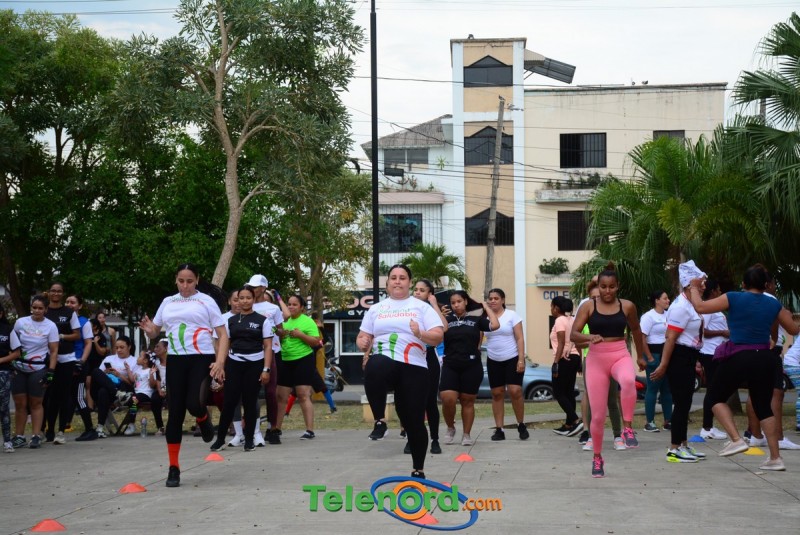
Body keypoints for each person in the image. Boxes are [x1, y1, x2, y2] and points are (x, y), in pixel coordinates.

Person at [687, 264, 799, 471]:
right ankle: (776, 458)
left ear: (744, 284)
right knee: (764, 407)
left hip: (740, 355)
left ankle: (737, 439)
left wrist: (694, 288)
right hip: (765, 357)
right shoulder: (773, 304)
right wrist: (775, 329)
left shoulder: (734, 297)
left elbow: (700, 307)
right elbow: (793, 328)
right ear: (766, 285)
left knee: (714, 398)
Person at [138, 263, 228, 488]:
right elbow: (156, 330)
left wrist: (220, 362)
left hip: (201, 357)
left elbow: (222, 334)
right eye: (181, 281)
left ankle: (202, 418)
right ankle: (173, 467)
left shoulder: (206, 301)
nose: (185, 285)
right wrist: (150, 330)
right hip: (176, 359)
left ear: (197, 280)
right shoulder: (168, 302)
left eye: (189, 281)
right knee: (175, 414)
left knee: (194, 404)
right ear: (175, 280)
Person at [358, 264, 444, 479]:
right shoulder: (376, 309)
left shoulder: (421, 307)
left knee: (413, 421)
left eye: (402, 277)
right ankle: (380, 421)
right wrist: (363, 342)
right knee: (374, 365)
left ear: (409, 282)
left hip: (413, 367)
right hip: (385, 360)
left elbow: (438, 336)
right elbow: (362, 336)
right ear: (387, 283)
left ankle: (418, 469)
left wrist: (420, 333)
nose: (397, 281)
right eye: (394, 277)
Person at [571, 262, 645, 478]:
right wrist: (589, 337)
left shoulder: (627, 306)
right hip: (596, 358)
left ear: (617, 286)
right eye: (603, 287)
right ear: (599, 286)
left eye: (612, 287)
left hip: (619, 353)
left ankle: (627, 428)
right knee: (597, 415)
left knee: (629, 381)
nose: (607, 291)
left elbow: (636, 330)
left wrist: (641, 356)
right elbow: (574, 334)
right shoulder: (588, 306)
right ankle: (597, 458)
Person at [650, 261, 709, 464]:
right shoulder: (681, 307)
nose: (704, 285)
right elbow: (670, 338)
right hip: (678, 356)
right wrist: (663, 365)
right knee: (681, 403)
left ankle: (683, 444)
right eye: (700, 282)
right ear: (689, 284)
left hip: (689, 355)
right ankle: (674, 449)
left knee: (686, 402)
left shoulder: (691, 304)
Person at [210, 285, 273, 452]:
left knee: (250, 402)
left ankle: (249, 440)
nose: (244, 301)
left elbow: (268, 346)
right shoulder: (229, 321)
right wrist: (221, 365)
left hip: (255, 364)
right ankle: (220, 440)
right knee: (229, 402)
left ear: (253, 299)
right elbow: (224, 345)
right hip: (234, 363)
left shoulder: (263, 320)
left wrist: (266, 369)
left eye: (248, 298)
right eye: (241, 298)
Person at [745, 274, 800, 450]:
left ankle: (756, 435)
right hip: (769, 349)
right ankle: (778, 437)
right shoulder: (770, 300)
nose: (776, 287)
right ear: (767, 284)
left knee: (754, 392)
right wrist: (787, 316)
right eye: (775, 284)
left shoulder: (745, 299)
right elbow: (792, 328)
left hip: (750, 348)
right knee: (776, 393)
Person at [440, 290, 499, 447]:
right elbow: (437, 331)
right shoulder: (446, 320)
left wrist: (486, 307)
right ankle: (450, 427)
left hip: (471, 366)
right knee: (448, 398)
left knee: (467, 401)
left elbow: (495, 325)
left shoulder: (476, 320)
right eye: (453, 303)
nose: (456, 305)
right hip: (450, 364)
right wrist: (440, 314)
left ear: (465, 302)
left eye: (459, 301)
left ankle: (466, 434)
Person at [403, 279, 448, 454]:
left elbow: (444, 328)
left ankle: (435, 439)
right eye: (416, 289)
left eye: (422, 290)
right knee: (411, 401)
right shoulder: (407, 307)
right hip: (410, 355)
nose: (417, 292)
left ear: (430, 294)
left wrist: (434, 304)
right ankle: (411, 438)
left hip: (428, 356)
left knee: (430, 401)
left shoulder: (430, 310)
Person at [12, 296, 59, 450]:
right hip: (19, 367)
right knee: (20, 404)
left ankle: (36, 435)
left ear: (46, 309)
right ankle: (19, 436)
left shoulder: (51, 326)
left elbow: (54, 351)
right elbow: (13, 344)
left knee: (35, 403)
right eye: (34, 307)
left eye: (40, 308)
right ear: (31, 308)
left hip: (38, 368)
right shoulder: (20, 322)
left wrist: (51, 371)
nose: (37, 311)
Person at [484, 288, 529, 442]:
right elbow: (478, 337)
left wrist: (521, 359)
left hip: (512, 358)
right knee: (497, 393)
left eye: (496, 298)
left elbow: (520, 338)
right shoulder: (485, 317)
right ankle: (499, 429)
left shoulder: (512, 315)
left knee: (515, 391)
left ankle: (521, 424)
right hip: (493, 359)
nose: (492, 301)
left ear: (503, 300)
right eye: (490, 298)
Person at [272, 295, 319, 440]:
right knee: (280, 396)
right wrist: (280, 334)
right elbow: (276, 338)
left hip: (303, 359)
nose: (291, 307)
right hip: (285, 359)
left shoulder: (307, 321)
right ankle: (276, 429)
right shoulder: (283, 321)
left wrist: (300, 335)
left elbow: (316, 342)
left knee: (303, 394)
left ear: (302, 307)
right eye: (289, 304)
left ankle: (309, 430)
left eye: (295, 304)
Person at [44, 282, 81, 444]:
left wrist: (61, 336)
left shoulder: (69, 312)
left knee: (64, 395)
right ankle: (49, 430)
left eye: (59, 291)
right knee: (49, 396)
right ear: (49, 293)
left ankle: (61, 431)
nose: (56, 293)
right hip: (46, 358)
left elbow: (77, 335)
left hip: (66, 358)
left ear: (62, 293)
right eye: (53, 291)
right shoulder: (44, 310)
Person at [250, 275, 284, 446]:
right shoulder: (247, 305)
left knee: (271, 392)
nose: (253, 289)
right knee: (251, 392)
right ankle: (251, 429)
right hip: (251, 353)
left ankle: (273, 428)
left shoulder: (273, 308)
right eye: (251, 286)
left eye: (256, 286)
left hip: (271, 352)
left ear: (263, 288)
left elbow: (280, 330)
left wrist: (276, 331)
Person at [697, 280, 729, 440]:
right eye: (718, 289)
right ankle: (707, 427)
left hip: (717, 353)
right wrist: (722, 332)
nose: (720, 292)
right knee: (712, 390)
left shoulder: (715, 308)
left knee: (715, 389)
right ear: (713, 291)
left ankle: (710, 425)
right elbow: (703, 331)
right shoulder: (708, 309)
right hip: (710, 354)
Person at [640, 290, 673, 433]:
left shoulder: (669, 315)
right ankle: (650, 422)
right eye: (665, 298)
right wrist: (650, 358)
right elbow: (642, 338)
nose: (668, 301)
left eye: (668, 298)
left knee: (667, 389)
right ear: (657, 300)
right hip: (654, 354)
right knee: (653, 388)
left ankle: (668, 421)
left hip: (667, 354)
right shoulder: (648, 316)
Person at [91, 335, 137, 438]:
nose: (119, 350)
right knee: (96, 372)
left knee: (103, 391)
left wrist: (119, 375)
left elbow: (133, 384)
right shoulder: (109, 358)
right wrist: (106, 373)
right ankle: (117, 393)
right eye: (116, 348)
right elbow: (99, 376)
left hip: (125, 389)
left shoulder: (134, 361)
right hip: (111, 390)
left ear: (129, 347)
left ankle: (100, 427)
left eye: (122, 347)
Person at [549, 296, 583, 437]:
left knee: (558, 392)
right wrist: (580, 360)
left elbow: (561, 343)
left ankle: (575, 420)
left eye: (551, 306)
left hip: (564, 358)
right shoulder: (572, 319)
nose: (551, 309)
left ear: (556, 308)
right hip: (574, 357)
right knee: (568, 392)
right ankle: (569, 425)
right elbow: (576, 340)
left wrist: (556, 363)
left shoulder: (559, 320)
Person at [0, 308, 21, 452]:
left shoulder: (7, 330)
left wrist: (1, 360)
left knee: (3, 407)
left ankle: (7, 441)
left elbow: (17, 353)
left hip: (3, 372)